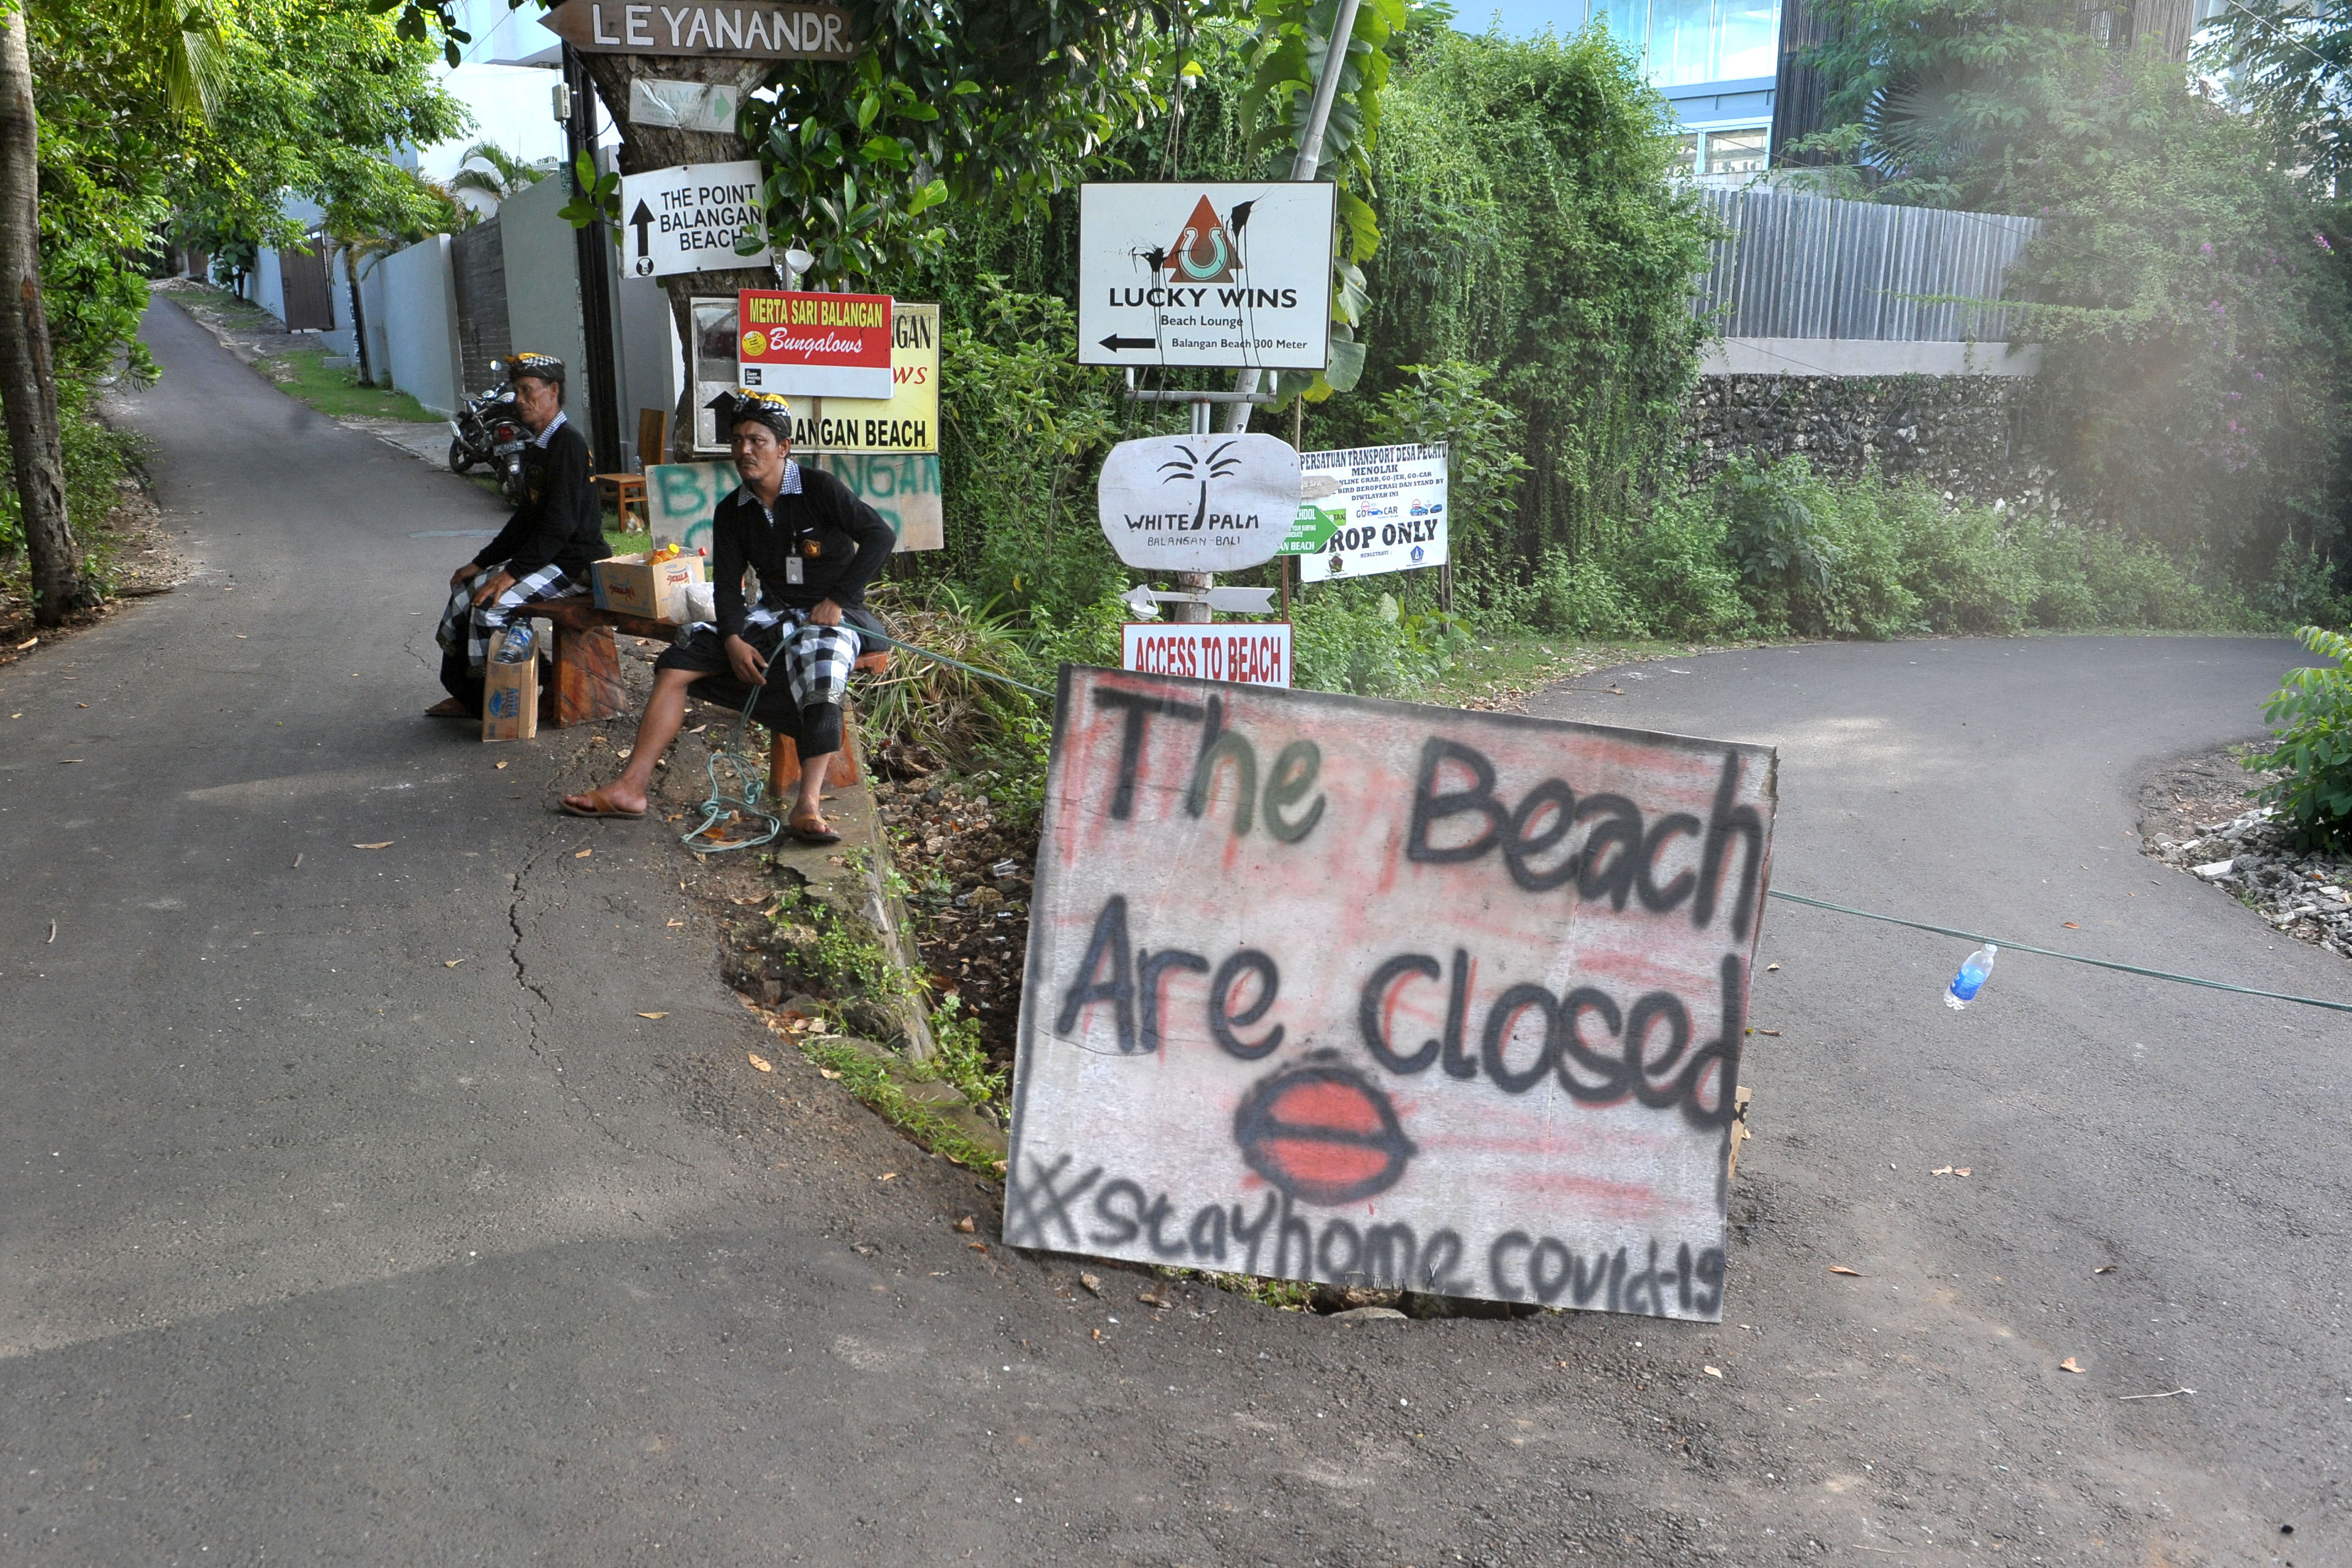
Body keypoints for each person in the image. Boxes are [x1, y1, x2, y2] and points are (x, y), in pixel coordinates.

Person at [561, 390, 895, 843]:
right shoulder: (733, 510)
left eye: (757, 440)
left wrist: (837, 597)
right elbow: (727, 588)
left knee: (822, 671)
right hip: (772, 615)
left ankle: (807, 805)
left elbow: (879, 536)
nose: (744, 450)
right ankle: (630, 788)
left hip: (835, 614)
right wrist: (734, 639)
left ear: (784, 447)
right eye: (737, 440)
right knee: (679, 659)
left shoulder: (819, 490)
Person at [426, 352, 603, 719]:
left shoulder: (567, 444)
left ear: (553, 391)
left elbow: (559, 527)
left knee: (492, 606)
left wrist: (511, 574)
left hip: (574, 564)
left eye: (527, 391)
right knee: (465, 592)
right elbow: (526, 521)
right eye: (516, 391)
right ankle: (467, 695)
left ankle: (548, 685)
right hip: (547, 558)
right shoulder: (540, 445)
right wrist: (480, 563)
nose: (519, 400)